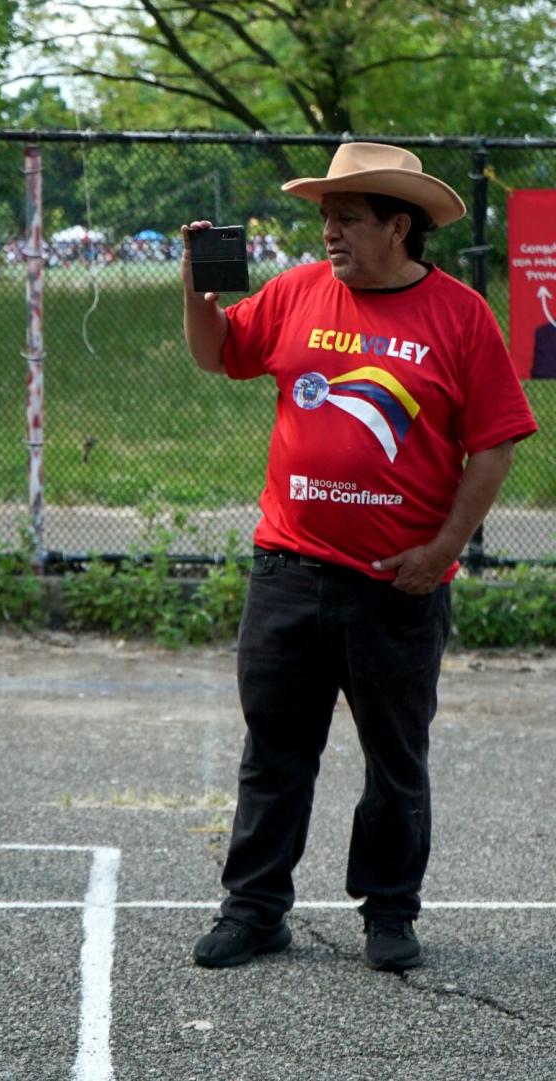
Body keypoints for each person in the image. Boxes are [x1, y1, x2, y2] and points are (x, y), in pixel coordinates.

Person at [181, 143, 537, 973]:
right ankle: (255, 909)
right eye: (325, 217)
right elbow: (219, 353)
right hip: (288, 570)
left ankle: (389, 913)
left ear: (398, 226)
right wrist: (198, 294)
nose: (329, 232)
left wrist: (446, 548)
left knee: (396, 758)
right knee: (274, 750)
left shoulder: (459, 315)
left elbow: (493, 447)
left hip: (396, 585)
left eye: (347, 217)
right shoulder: (299, 290)